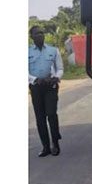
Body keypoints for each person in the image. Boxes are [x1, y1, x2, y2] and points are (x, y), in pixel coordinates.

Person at [28, 26, 64, 157]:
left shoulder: (53, 50)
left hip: (50, 86)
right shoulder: (27, 51)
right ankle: (45, 147)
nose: (40, 36)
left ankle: (55, 143)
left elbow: (60, 68)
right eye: (37, 34)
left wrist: (56, 77)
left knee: (51, 114)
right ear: (31, 36)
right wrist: (35, 79)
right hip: (36, 87)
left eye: (42, 33)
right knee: (40, 118)